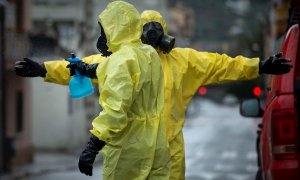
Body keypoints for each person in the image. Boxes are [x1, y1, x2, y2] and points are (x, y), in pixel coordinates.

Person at [14, 9, 292, 180]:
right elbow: (80, 66)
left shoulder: (184, 61)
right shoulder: (125, 60)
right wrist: (43, 69)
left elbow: (223, 64)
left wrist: (260, 65)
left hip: (167, 155)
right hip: (131, 153)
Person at [16, 2, 171, 179]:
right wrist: (52, 69)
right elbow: (122, 73)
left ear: (115, 28)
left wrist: (92, 146)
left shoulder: (119, 62)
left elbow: (115, 111)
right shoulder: (149, 54)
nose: (103, 36)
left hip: (129, 151)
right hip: (157, 145)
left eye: (104, 30)